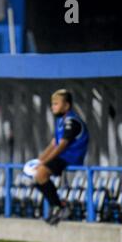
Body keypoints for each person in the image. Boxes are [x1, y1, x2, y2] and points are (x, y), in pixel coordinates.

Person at [35, 89, 89, 226]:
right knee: (36, 176)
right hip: (62, 156)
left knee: (41, 173)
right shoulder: (61, 121)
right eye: (52, 104)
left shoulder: (72, 121)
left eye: (56, 104)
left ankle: (60, 207)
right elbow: (54, 143)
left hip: (70, 157)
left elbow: (62, 146)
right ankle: (58, 206)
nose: (53, 107)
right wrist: (39, 160)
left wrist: (44, 162)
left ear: (66, 105)